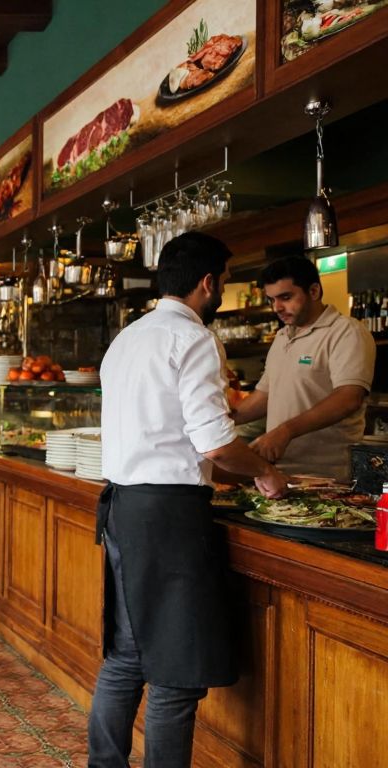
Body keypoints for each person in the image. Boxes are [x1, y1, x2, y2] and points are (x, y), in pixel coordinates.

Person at [92, 232, 289, 768]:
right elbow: (216, 442)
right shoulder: (194, 338)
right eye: (223, 281)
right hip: (169, 517)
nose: (221, 290)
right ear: (208, 283)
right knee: (175, 675)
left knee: (126, 657)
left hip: (123, 507)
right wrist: (265, 472)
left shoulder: (127, 338)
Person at [230, 257, 375, 481]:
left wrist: (285, 431)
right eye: (271, 299)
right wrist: (220, 419)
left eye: (286, 297)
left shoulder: (346, 332)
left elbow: (349, 398)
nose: (277, 307)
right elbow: (264, 395)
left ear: (314, 291)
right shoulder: (282, 337)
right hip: (279, 474)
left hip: (327, 476)